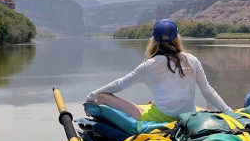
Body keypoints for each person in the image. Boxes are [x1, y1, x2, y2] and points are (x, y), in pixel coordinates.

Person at [87, 19, 232, 121]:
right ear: (177, 39)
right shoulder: (192, 59)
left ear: (154, 40)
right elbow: (208, 91)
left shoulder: (149, 65)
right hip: (187, 116)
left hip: (162, 116)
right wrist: (228, 112)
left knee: (104, 96)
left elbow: (119, 84)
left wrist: (92, 95)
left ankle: (98, 104)